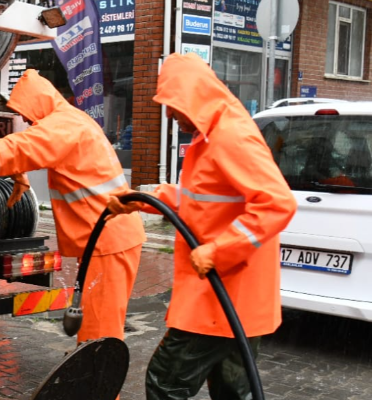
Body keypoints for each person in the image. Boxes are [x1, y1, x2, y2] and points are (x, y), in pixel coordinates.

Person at [106, 53, 297, 399]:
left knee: (166, 383)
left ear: (191, 97)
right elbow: (200, 198)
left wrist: (219, 250)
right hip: (233, 298)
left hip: (221, 293)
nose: (168, 114)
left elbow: (277, 203)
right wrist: (141, 199)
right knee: (233, 391)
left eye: (171, 104)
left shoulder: (230, 136)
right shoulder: (211, 136)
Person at [0, 69, 146, 344]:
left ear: (39, 103)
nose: (23, 118)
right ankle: (92, 381)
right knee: (96, 326)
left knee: (99, 335)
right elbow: (32, 152)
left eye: (25, 111)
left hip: (108, 242)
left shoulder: (63, 127)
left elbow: (20, 147)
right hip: (107, 239)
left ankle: (98, 385)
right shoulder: (72, 121)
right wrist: (18, 173)